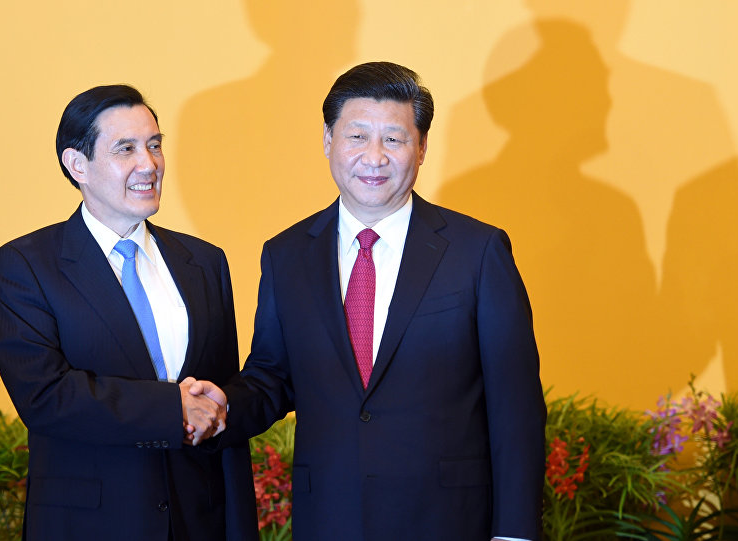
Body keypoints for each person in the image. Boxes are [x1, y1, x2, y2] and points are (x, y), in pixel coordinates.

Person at [200, 62, 546, 540]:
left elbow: (517, 406)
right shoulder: (286, 255)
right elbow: (273, 377)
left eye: (395, 139)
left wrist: (515, 533)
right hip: (330, 519)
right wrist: (224, 406)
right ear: (327, 140)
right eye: (357, 136)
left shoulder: (478, 251)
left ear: (422, 148)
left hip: (449, 521)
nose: (374, 157)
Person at [0, 84, 257, 541]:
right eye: (125, 149)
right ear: (77, 165)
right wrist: (173, 409)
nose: (148, 164)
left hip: (199, 521)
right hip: (90, 524)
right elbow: (46, 398)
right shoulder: (26, 265)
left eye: (154, 145)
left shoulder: (205, 262)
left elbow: (219, 402)